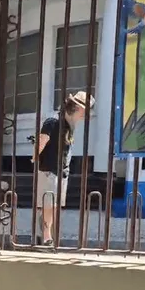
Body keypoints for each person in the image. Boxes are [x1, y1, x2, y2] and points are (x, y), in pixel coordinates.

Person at [34, 91, 95, 246]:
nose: (84, 116)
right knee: (47, 205)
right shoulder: (53, 121)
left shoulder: (69, 125)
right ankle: (46, 237)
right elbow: (42, 140)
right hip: (49, 171)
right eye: (84, 112)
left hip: (61, 172)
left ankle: (45, 236)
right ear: (75, 108)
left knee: (53, 206)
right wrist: (35, 158)